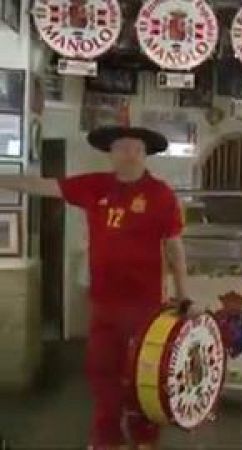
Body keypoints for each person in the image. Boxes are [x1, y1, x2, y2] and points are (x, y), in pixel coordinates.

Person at [0, 126, 194, 450]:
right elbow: (40, 185)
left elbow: (174, 248)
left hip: (145, 307)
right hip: (103, 305)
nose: (129, 154)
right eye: (122, 148)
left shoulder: (161, 195)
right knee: (102, 376)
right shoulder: (95, 186)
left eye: (135, 149)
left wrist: (183, 292)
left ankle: (144, 439)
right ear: (111, 154)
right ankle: (106, 440)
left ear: (145, 155)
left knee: (141, 377)